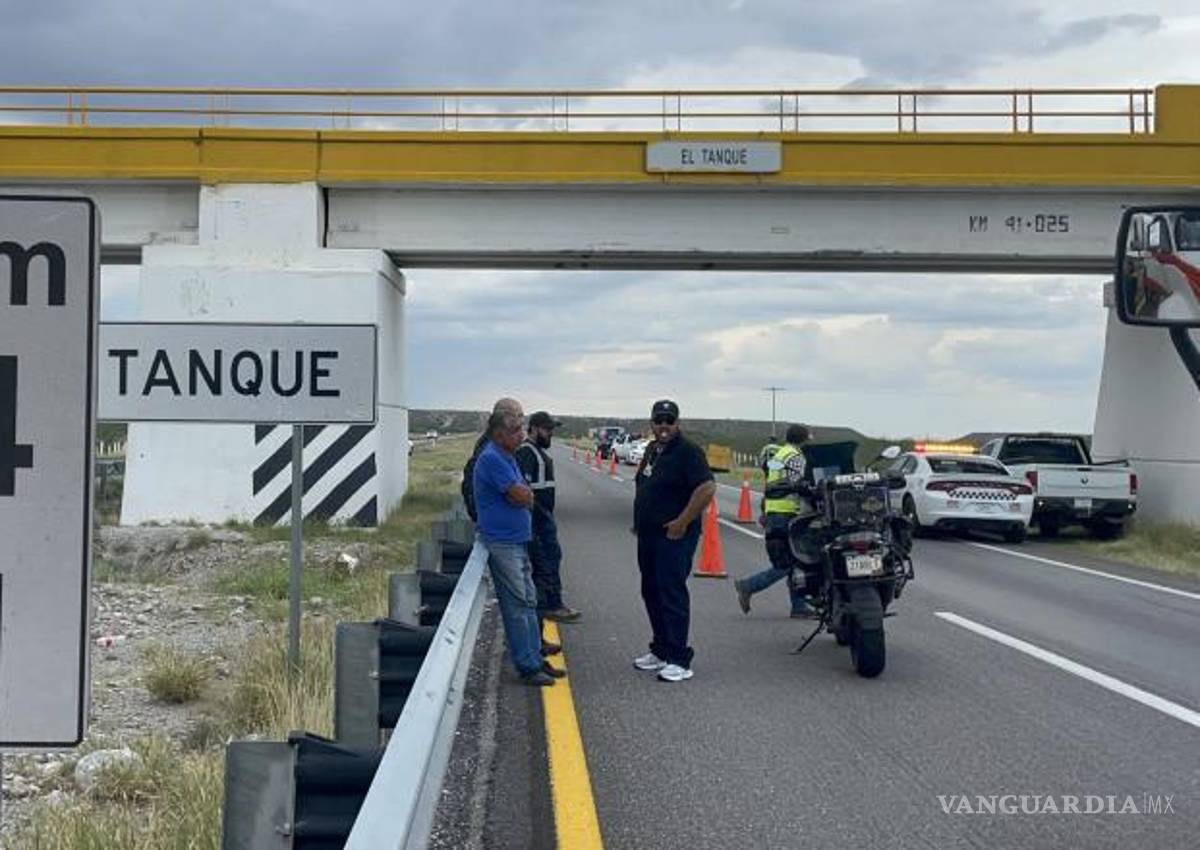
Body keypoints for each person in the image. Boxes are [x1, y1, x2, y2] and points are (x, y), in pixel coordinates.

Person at [473, 408, 564, 687]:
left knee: (528, 600)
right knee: (518, 605)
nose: (521, 435)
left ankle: (535, 659)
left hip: (516, 540)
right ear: (499, 433)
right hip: (503, 542)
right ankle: (527, 665)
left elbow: (526, 493)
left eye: (522, 429)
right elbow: (521, 494)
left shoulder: (507, 456)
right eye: (515, 431)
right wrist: (522, 495)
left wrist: (523, 495)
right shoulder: (492, 459)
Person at [631, 399, 716, 683]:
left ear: (677, 423)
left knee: (671, 592)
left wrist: (682, 521)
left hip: (674, 535)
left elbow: (706, 487)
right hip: (649, 534)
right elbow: (646, 485)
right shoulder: (653, 450)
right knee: (651, 590)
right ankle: (661, 649)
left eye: (669, 420)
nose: (664, 426)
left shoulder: (688, 452)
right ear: (652, 423)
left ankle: (680, 658)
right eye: (659, 420)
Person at [734, 424, 815, 618]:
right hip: (787, 511)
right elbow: (796, 483)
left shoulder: (781, 453)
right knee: (787, 563)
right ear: (803, 439)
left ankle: (799, 606)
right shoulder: (796, 457)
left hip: (775, 509)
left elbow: (773, 478)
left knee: (795, 561)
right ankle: (749, 586)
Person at [515, 411, 582, 624]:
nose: (550, 433)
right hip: (537, 521)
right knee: (545, 565)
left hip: (543, 519)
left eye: (552, 429)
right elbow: (522, 489)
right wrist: (537, 518)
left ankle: (551, 606)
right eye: (547, 429)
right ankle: (548, 608)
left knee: (551, 561)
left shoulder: (536, 451)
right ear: (533, 428)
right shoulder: (527, 452)